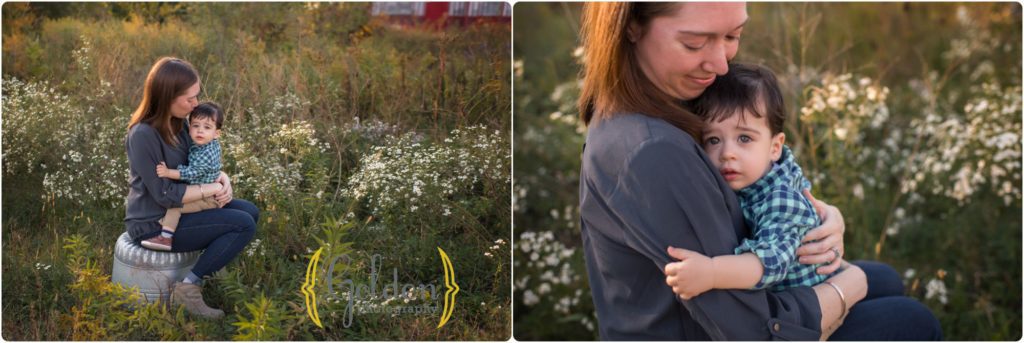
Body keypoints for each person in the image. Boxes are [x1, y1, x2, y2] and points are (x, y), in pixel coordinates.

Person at [576, 3, 941, 340]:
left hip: (745, 291)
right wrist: (850, 286)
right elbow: (755, 331)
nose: (721, 66)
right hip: (708, 329)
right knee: (911, 318)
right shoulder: (651, 151)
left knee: (886, 277)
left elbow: (757, 187)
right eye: (694, 43)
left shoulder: (666, 101)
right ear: (632, 27)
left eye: (733, 36)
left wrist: (822, 216)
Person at [663, 63, 833, 298]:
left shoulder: (781, 199)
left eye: (744, 138)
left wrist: (711, 272)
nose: (726, 153)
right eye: (713, 140)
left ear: (775, 147)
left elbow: (770, 264)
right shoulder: (757, 179)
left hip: (816, 311)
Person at [125, 57, 258, 319]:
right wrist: (210, 189)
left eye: (197, 96)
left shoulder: (180, 125)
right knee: (243, 224)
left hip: (181, 208)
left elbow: (198, 163)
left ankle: (211, 267)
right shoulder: (143, 135)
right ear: (167, 97)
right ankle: (188, 288)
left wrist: (223, 178)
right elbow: (165, 195)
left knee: (249, 211)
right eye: (190, 98)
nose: (196, 104)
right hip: (155, 222)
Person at [141, 102, 226, 251]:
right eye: (195, 126)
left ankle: (165, 239)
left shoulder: (205, 153)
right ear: (189, 126)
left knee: (175, 207)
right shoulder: (206, 144)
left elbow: (191, 172)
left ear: (216, 133)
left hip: (207, 199)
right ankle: (168, 224)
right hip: (205, 190)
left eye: (207, 127)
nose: (200, 131)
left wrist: (168, 173)